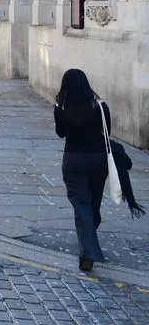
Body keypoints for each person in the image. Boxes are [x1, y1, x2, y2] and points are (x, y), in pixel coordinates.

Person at [53, 69, 111, 271]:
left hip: (73, 160)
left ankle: (88, 249)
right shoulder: (101, 107)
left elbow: (61, 133)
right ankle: (89, 245)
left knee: (82, 205)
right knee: (93, 205)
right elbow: (107, 133)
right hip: (98, 160)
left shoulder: (61, 107)